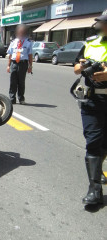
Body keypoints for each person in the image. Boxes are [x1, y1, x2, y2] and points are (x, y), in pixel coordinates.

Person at [74, 9, 107, 205]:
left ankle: (99, 170)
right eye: (101, 22)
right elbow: (76, 67)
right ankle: (94, 190)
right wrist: (85, 67)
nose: (102, 26)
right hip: (92, 100)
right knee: (93, 141)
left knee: (105, 142)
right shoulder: (91, 42)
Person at [6, 24, 33, 105]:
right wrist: (8, 65)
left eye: (22, 32)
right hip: (14, 63)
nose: (21, 33)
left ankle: (21, 99)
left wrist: (30, 66)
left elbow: (30, 55)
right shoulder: (13, 42)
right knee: (13, 82)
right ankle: (12, 98)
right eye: (19, 32)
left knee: (21, 82)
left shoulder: (28, 43)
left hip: (23, 64)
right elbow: (10, 55)